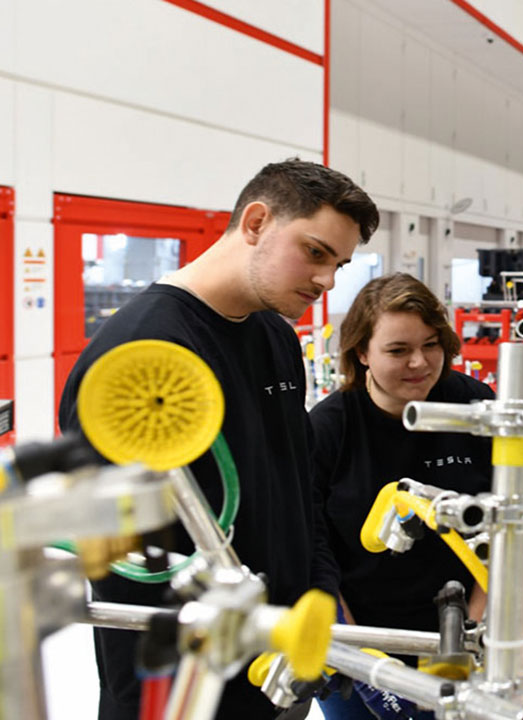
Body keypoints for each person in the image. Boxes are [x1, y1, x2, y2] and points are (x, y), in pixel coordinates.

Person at [58, 158, 379, 720]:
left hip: (276, 670)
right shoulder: (144, 350)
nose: (328, 280)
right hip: (181, 687)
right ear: (256, 223)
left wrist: (320, 591)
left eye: (339, 263)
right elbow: (122, 558)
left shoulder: (276, 337)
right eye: (315, 252)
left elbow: (299, 486)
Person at [310, 273, 493, 719]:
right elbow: (313, 550)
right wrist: (360, 656)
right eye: (398, 350)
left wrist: (475, 631)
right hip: (360, 631)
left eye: (431, 344)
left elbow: (512, 525)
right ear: (362, 353)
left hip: (466, 629)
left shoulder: (475, 408)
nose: (420, 362)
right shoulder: (330, 428)